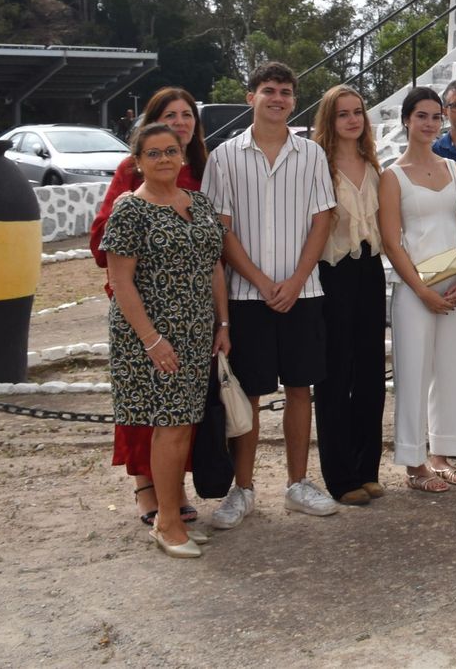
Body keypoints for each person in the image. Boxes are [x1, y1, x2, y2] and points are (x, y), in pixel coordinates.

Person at [202, 61, 339, 526]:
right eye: (268, 90)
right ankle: (242, 490)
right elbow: (221, 229)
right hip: (246, 297)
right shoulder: (223, 158)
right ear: (251, 98)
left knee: (301, 389)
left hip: (305, 293)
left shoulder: (312, 155)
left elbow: (323, 218)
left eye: (285, 91)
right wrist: (261, 282)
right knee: (250, 395)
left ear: (294, 101)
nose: (277, 98)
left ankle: (298, 484)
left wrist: (298, 279)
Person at [102, 123, 229, 558]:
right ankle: (168, 522)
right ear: (137, 162)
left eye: (170, 151)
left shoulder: (197, 202)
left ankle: (170, 514)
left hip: (196, 333)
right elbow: (120, 282)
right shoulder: (129, 211)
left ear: (183, 156)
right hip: (152, 338)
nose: (163, 159)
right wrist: (153, 341)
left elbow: (213, 265)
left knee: (181, 427)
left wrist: (223, 324)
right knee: (170, 428)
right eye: (153, 153)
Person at [90, 87, 209, 528]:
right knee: (147, 408)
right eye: (170, 114)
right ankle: (146, 486)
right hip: (145, 309)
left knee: (179, 413)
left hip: (192, 312)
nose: (180, 121)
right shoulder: (132, 174)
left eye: (187, 115)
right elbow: (106, 247)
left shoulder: (200, 173)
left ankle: (174, 487)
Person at [378, 88, 456, 492]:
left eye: (436, 116)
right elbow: (390, 240)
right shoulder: (392, 175)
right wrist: (421, 291)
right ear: (406, 120)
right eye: (422, 116)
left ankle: (442, 454)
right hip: (414, 289)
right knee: (414, 373)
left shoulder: (455, 171)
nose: (431, 123)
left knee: (452, 369)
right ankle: (414, 465)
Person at [310, 85, 387, 504]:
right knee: (336, 375)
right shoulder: (316, 166)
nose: (353, 119)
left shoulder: (372, 163)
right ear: (330, 119)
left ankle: (367, 467)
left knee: (372, 372)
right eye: (343, 114)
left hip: (370, 272)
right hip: (332, 274)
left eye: (357, 112)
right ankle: (340, 477)